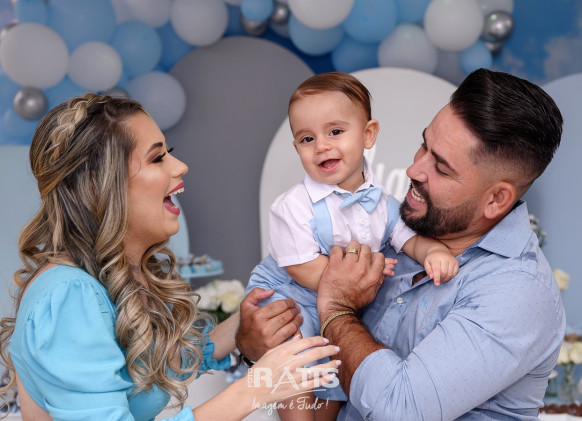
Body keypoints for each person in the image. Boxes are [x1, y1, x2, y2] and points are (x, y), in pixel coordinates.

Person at [236, 68, 566, 420]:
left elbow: (401, 409)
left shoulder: (517, 292)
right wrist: (252, 346)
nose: (414, 169)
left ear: (496, 199)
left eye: (441, 167)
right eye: (424, 145)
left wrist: (336, 307)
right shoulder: (400, 228)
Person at [0, 93, 342, 421]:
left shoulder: (105, 282)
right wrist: (256, 388)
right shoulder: (69, 296)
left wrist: (251, 319)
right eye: (157, 158)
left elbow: (161, 365)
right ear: (99, 186)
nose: (180, 167)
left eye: (170, 153)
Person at [245, 72, 459, 420]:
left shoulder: (383, 203)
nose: (321, 146)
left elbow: (408, 238)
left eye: (335, 132)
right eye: (307, 138)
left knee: (337, 370)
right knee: (296, 357)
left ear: (368, 134)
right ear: (297, 148)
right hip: (290, 297)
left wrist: (432, 252)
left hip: (340, 301)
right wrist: (359, 275)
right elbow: (300, 266)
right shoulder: (293, 206)